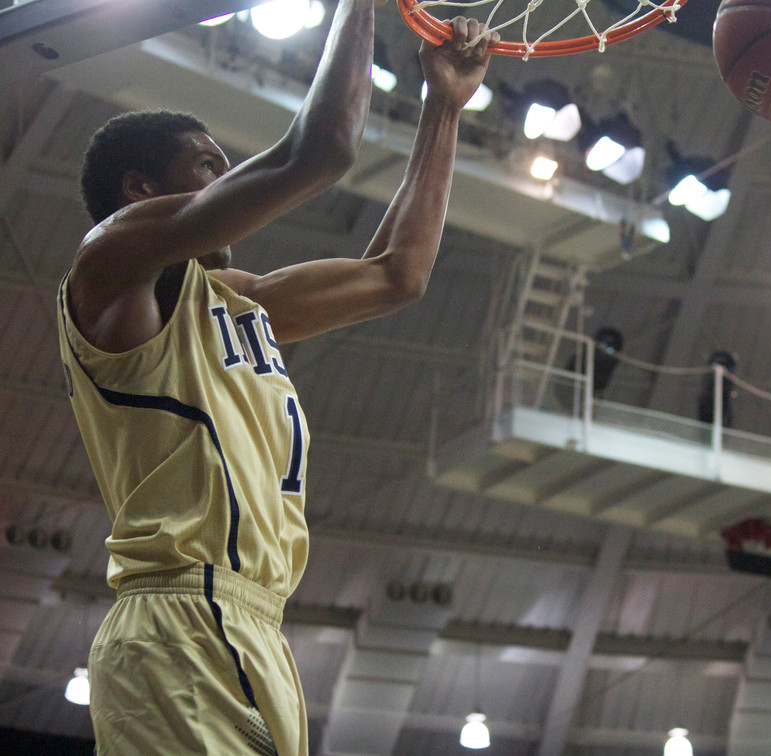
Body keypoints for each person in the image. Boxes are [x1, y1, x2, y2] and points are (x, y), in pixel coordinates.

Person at [56, 1, 497, 752]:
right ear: (140, 190)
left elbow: (398, 274)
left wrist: (444, 108)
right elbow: (319, 151)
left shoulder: (235, 302)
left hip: (258, 626)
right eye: (206, 166)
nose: (226, 181)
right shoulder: (110, 267)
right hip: (178, 620)